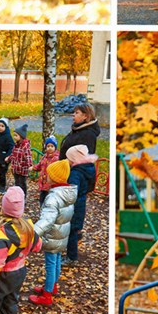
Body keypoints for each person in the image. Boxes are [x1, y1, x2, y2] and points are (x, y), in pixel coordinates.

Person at [60, 99, 102, 263]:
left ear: (85, 116)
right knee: (73, 224)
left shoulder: (87, 134)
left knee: (72, 225)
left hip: (74, 176)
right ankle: (74, 243)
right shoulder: (78, 130)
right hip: (72, 171)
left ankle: (72, 256)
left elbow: (83, 157)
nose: (73, 116)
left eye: (76, 113)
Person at [30, 159, 76, 306]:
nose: (46, 177)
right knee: (56, 262)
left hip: (52, 236)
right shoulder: (68, 193)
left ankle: (47, 295)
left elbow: (47, 220)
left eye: (49, 175)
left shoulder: (53, 197)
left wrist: (33, 232)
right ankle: (53, 286)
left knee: (50, 265)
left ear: (55, 178)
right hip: (62, 235)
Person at [8, 126, 34, 193]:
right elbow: (13, 154)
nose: (14, 137)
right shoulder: (16, 145)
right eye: (14, 135)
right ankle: (17, 196)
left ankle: (23, 197)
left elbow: (28, 156)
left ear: (21, 136)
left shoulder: (25, 146)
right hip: (16, 168)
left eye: (16, 135)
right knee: (17, 183)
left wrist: (30, 166)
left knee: (22, 184)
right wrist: (9, 158)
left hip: (22, 169)